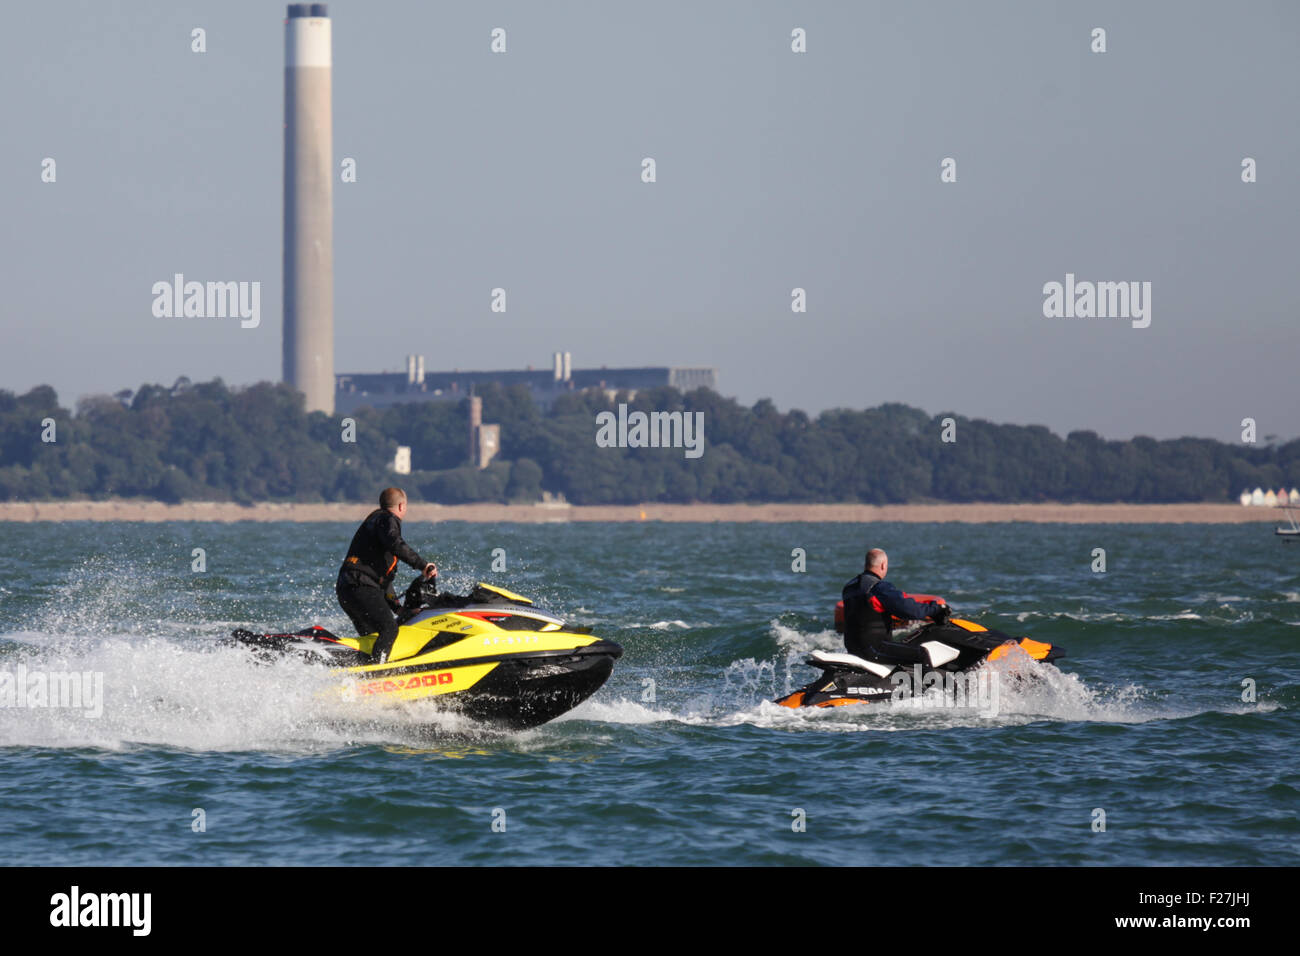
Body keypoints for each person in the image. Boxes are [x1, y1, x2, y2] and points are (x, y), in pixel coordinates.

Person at [336, 487, 437, 663]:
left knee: (373, 637)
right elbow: (395, 543)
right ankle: (376, 673)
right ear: (401, 506)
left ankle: (361, 673)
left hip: (347, 588)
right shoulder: (387, 519)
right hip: (361, 587)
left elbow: (382, 577)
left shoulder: (374, 522)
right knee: (389, 629)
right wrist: (422, 565)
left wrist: (397, 608)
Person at [841, 548, 949, 664]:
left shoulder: (849, 587)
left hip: (853, 649)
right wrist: (935, 609)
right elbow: (907, 609)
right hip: (874, 649)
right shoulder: (878, 587)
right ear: (883, 565)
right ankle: (929, 683)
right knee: (922, 654)